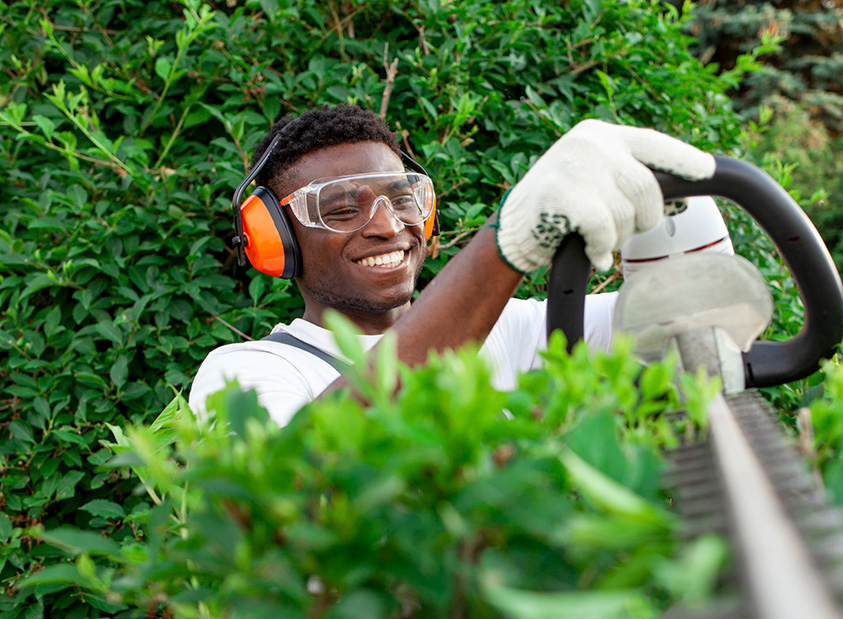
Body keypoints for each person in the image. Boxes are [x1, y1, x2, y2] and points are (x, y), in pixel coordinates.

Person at [189, 104, 720, 426]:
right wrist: (504, 244)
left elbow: (689, 323)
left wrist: (674, 212)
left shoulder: (507, 330)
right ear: (274, 239)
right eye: (342, 208)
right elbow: (301, 482)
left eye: (403, 198)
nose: (388, 225)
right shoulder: (244, 373)